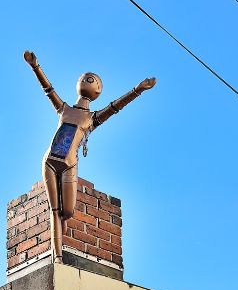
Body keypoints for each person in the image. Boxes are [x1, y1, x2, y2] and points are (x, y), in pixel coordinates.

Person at [21, 50, 155, 262]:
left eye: (93, 81)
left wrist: (138, 90)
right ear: (79, 83)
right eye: (86, 79)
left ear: (98, 91)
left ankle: (62, 226)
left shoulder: (92, 118)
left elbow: (114, 108)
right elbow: (48, 89)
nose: (89, 81)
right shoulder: (63, 109)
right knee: (54, 210)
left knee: (68, 211)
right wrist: (34, 65)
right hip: (49, 161)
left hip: (69, 164)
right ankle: (57, 256)